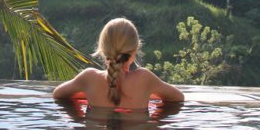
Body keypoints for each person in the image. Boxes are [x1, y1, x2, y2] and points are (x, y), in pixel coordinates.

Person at [52, 18, 184, 109]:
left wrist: (80, 117)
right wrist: (152, 123)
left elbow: (58, 94)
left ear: (102, 49)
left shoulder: (89, 79)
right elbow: (178, 97)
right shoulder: (145, 79)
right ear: (134, 50)